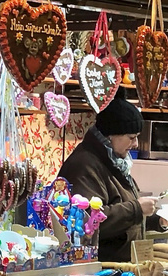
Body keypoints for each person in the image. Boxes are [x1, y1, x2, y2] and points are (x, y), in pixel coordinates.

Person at [57, 90, 160, 262]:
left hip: (121, 267)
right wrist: (136, 209)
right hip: (100, 269)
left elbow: (123, 211)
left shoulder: (115, 160)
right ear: (111, 134)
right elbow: (89, 221)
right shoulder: (84, 165)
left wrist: (157, 220)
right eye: (131, 137)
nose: (135, 144)